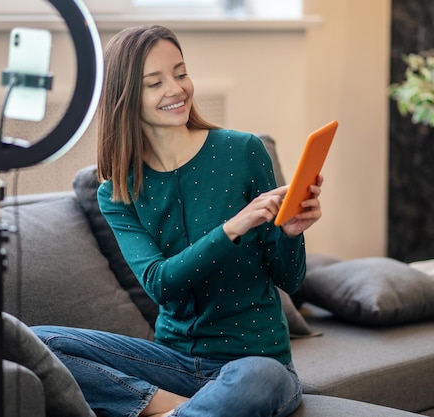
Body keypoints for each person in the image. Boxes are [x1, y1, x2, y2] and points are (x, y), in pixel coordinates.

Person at [33, 24, 323, 417]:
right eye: (155, 83)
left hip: (253, 361)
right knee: (38, 343)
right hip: (174, 365)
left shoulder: (243, 151)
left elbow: (289, 279)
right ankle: (169, 407)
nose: (176, 89)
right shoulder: (118, 191)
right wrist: (233, 228)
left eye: (181, 73)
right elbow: (161, 283)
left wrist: (290, 234)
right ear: (126, 99)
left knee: (261, 379)